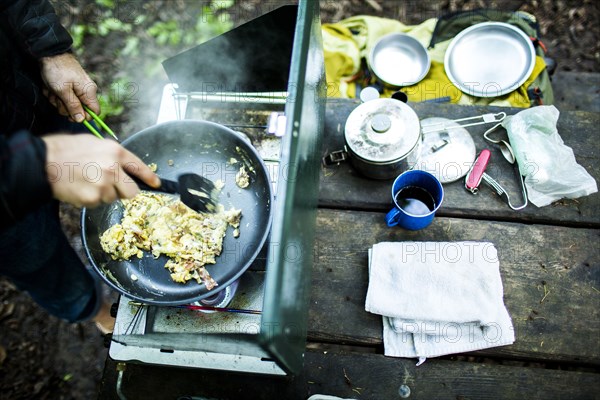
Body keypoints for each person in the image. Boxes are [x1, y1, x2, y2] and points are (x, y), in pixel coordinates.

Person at [0, 0, 160, 333]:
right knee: (39, 256)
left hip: (27, 91)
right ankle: (98, 312)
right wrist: (30, 166)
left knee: (108, 160)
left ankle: (137, 213)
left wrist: (49, 49)